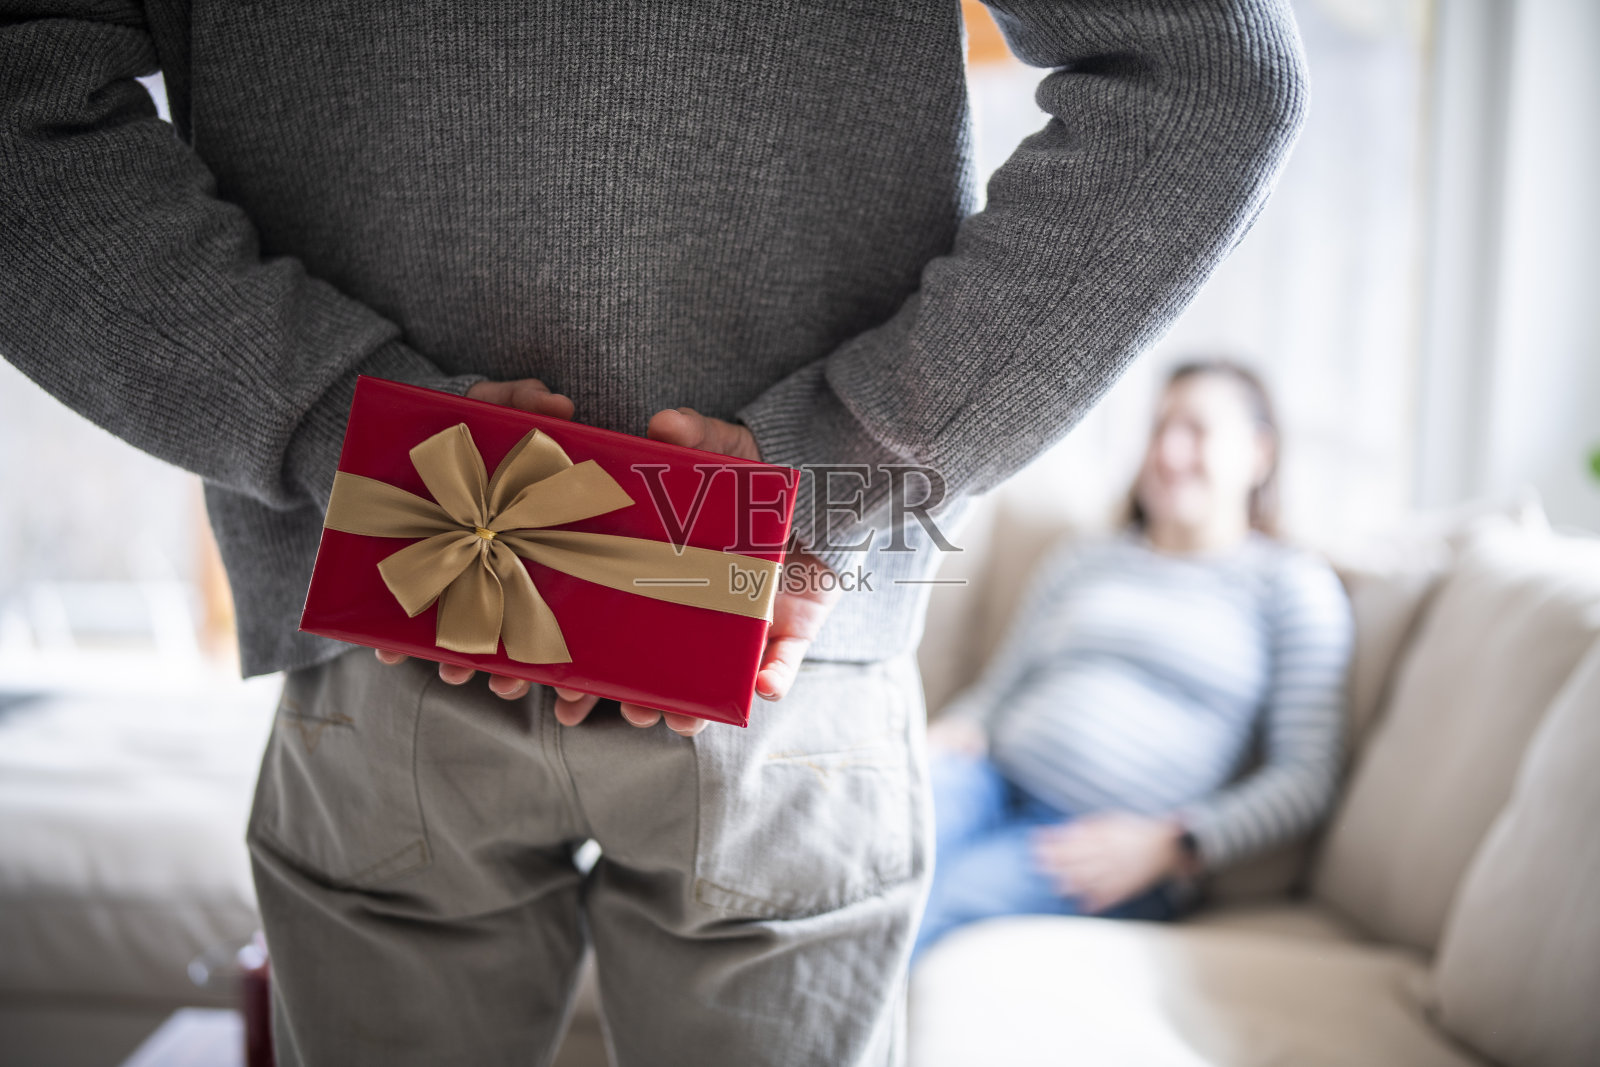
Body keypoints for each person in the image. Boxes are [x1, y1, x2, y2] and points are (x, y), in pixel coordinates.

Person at [0, 4, 1309, 1064]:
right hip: (781, 654)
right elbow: (1215, 75)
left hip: (423, 587)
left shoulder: (1269, 588)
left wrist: (370, 447)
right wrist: (835, 469)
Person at [912, 360, 1355, 961]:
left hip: (1101, 842)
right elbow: (1001, 687)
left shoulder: (1292, 586)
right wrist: (955, 731)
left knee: (931, 902)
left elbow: (1307, 776)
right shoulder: (1086, 557)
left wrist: (1177, 845)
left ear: (1258, 453)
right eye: (1159, 428)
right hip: (989, 779)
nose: (1168, 452)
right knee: (874, 840)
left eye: (1196, 430)